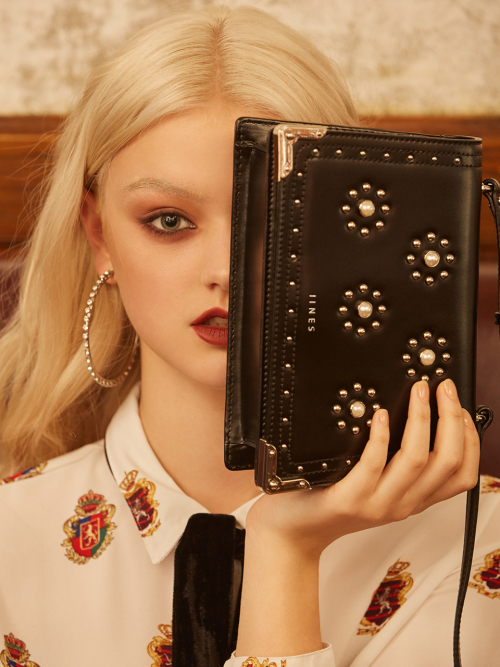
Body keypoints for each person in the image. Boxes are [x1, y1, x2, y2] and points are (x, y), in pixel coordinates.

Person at [0, 5, 498, 667]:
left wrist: (285, 549)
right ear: (99, 236)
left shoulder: (477, 541)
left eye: (270, 217)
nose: (226, 271)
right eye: (169, 220)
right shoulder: (9, 540)